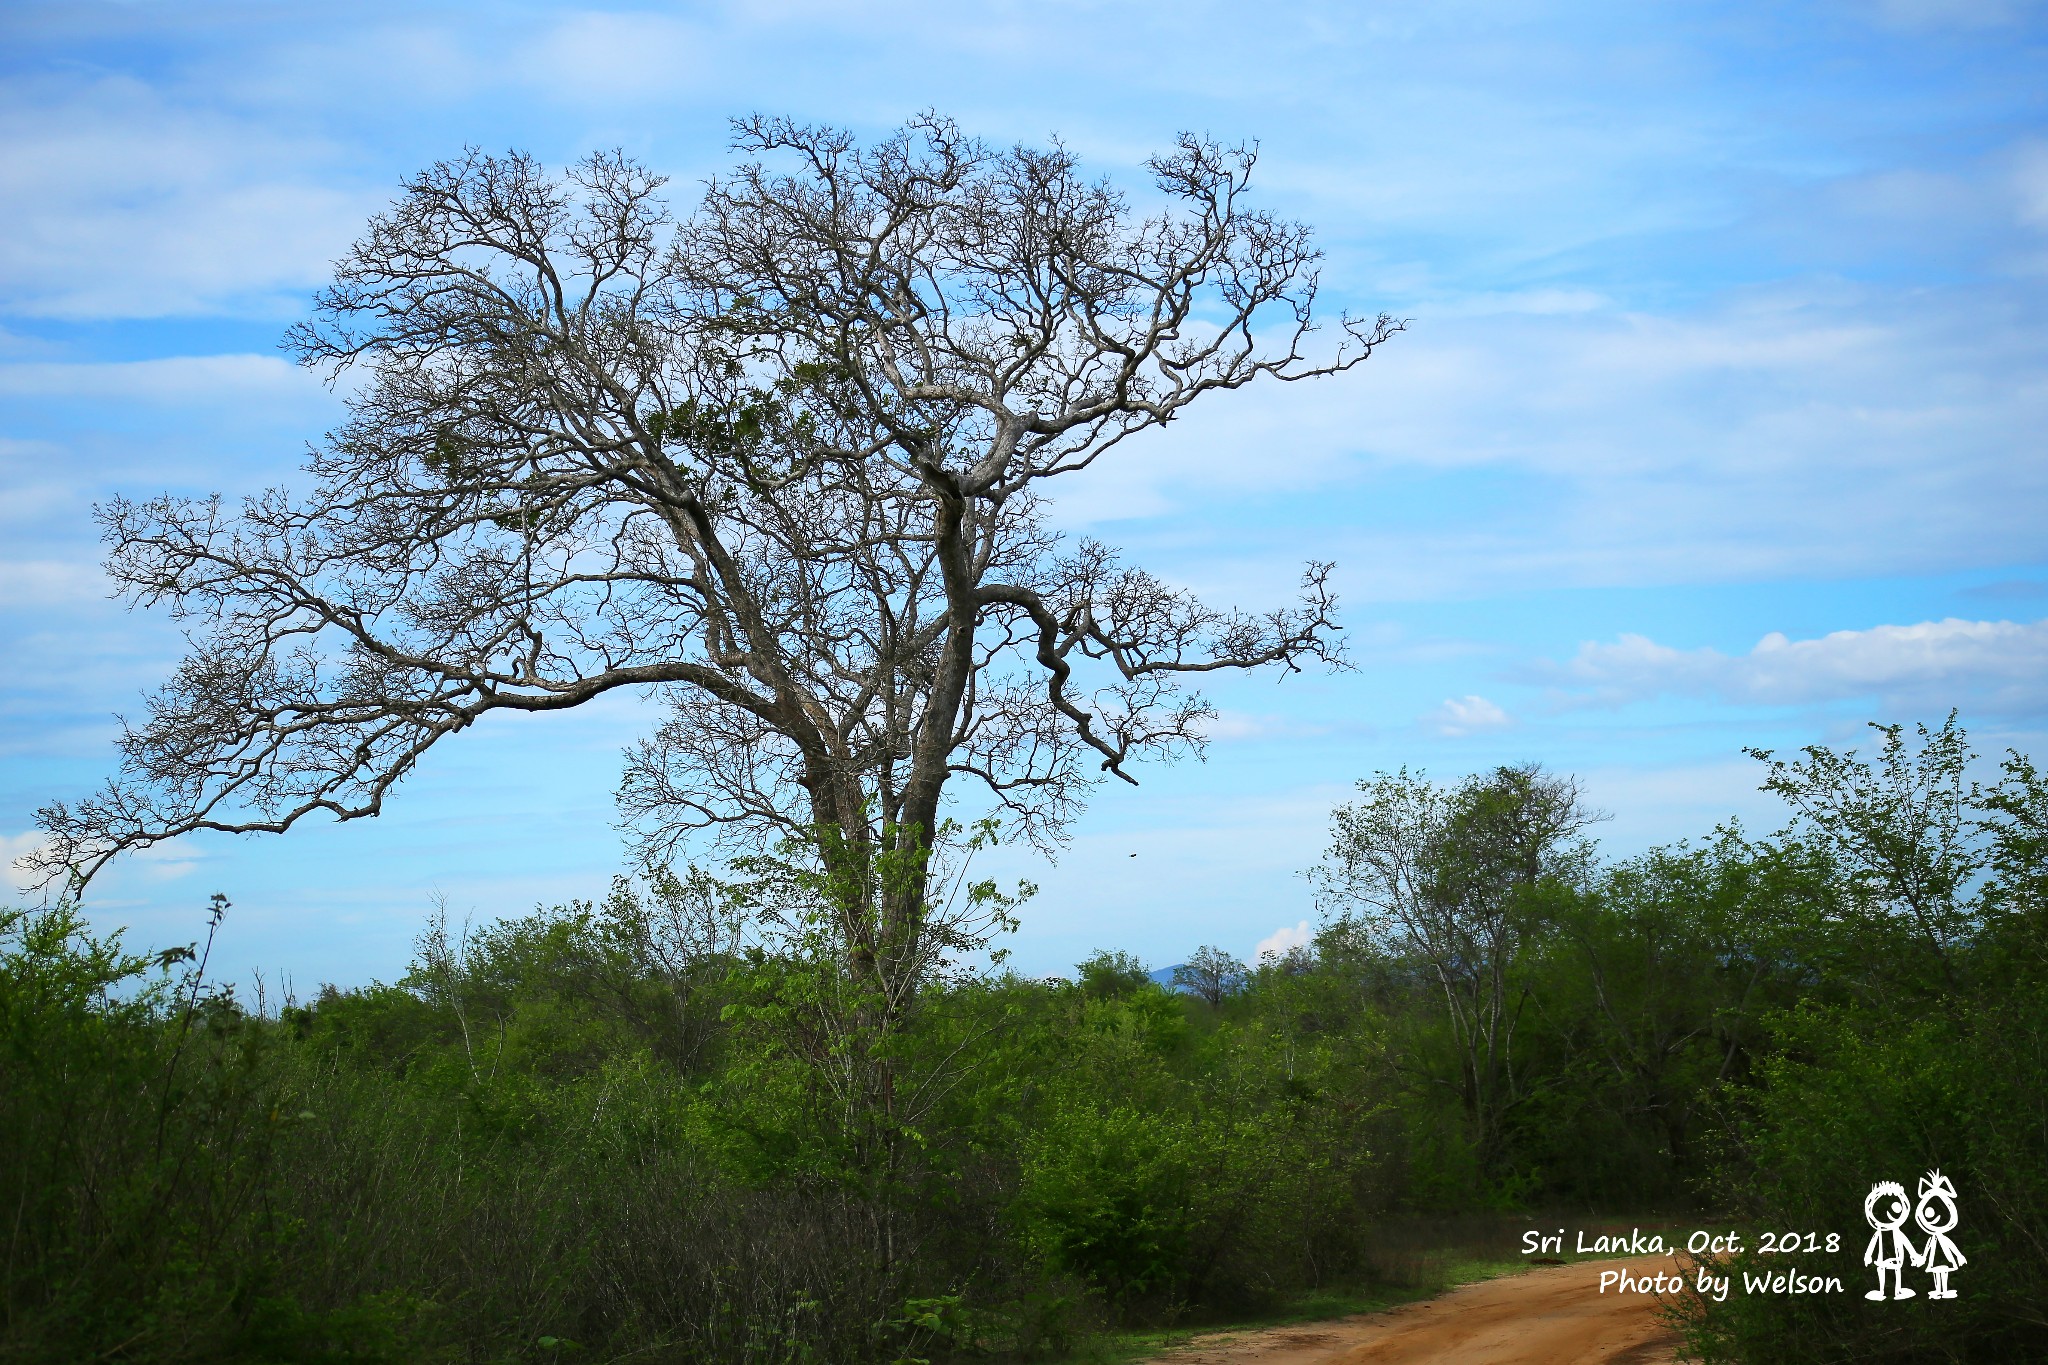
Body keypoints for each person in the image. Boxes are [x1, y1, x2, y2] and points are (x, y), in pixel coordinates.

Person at [1863, 1180, 1920, 1301]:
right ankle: (1882, 1290)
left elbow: (1906, 1242)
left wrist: (1913, 1254)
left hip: (1895, 1255)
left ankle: (1897, 1290)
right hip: (1882, 1256)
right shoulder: (1879, 1232)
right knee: (1882, 1270)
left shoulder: (1896, 1232)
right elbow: (1873, 1243)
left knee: (1896, 1271)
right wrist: (1868, 1255)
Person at [1915, 1170, 1966, 1300]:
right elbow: (1927, 1248)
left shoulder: (1942, 1238)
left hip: (1943, 1257)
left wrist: (1959, 1255)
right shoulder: (1933, 1238)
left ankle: (1944, 1290)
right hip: (1935, 1258)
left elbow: (1950, 1245)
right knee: (1937, 1273)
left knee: (1943, 1272)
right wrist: (1923, 1257)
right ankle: (1939, 1290)